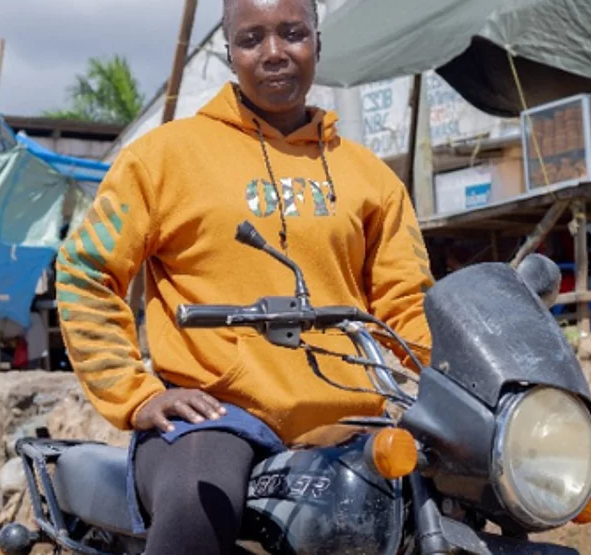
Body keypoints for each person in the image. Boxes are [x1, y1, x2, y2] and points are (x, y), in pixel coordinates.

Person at [56, 0, 434, 552]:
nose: (275, 52)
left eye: (292, 33)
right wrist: (136, 395)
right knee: (196, 503)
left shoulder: (369, 176)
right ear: (229, 54)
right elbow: (85, 271)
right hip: (217, 418)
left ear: (317, 43)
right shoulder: (164, 158)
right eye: (252, 39)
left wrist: (449, 386)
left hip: (354, 420)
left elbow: (406, 302)